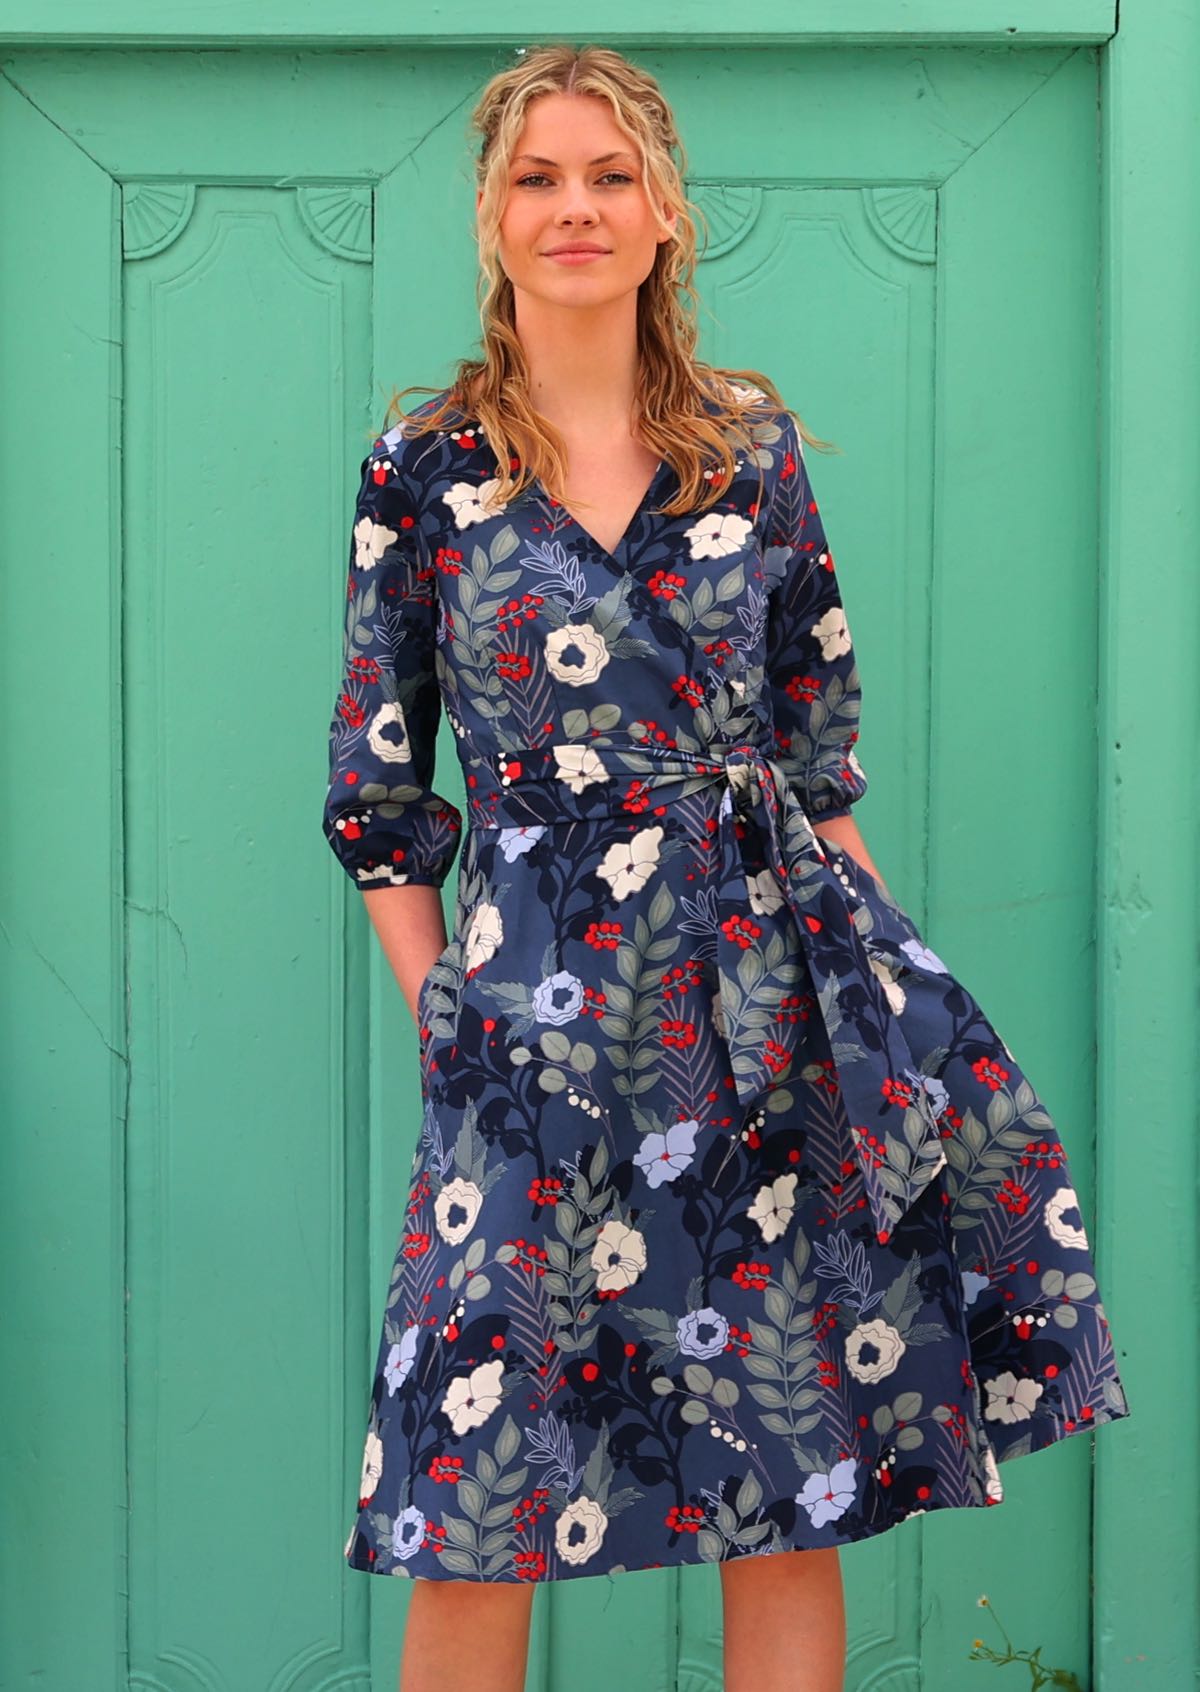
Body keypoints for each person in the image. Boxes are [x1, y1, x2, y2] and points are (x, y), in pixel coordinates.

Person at [323, 42, 1130, 1692]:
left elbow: (823, 773)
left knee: (788, 1479)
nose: (576, 210)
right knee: (471, 1491)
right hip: (528, 1037)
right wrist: (445, 1012)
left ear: (666, 212)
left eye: (609, 177)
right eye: (539, 179)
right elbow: (378, 795)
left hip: (765, 1012)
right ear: (490, 215)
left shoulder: (752, 459)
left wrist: (888, 1020)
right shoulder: (425, 476)